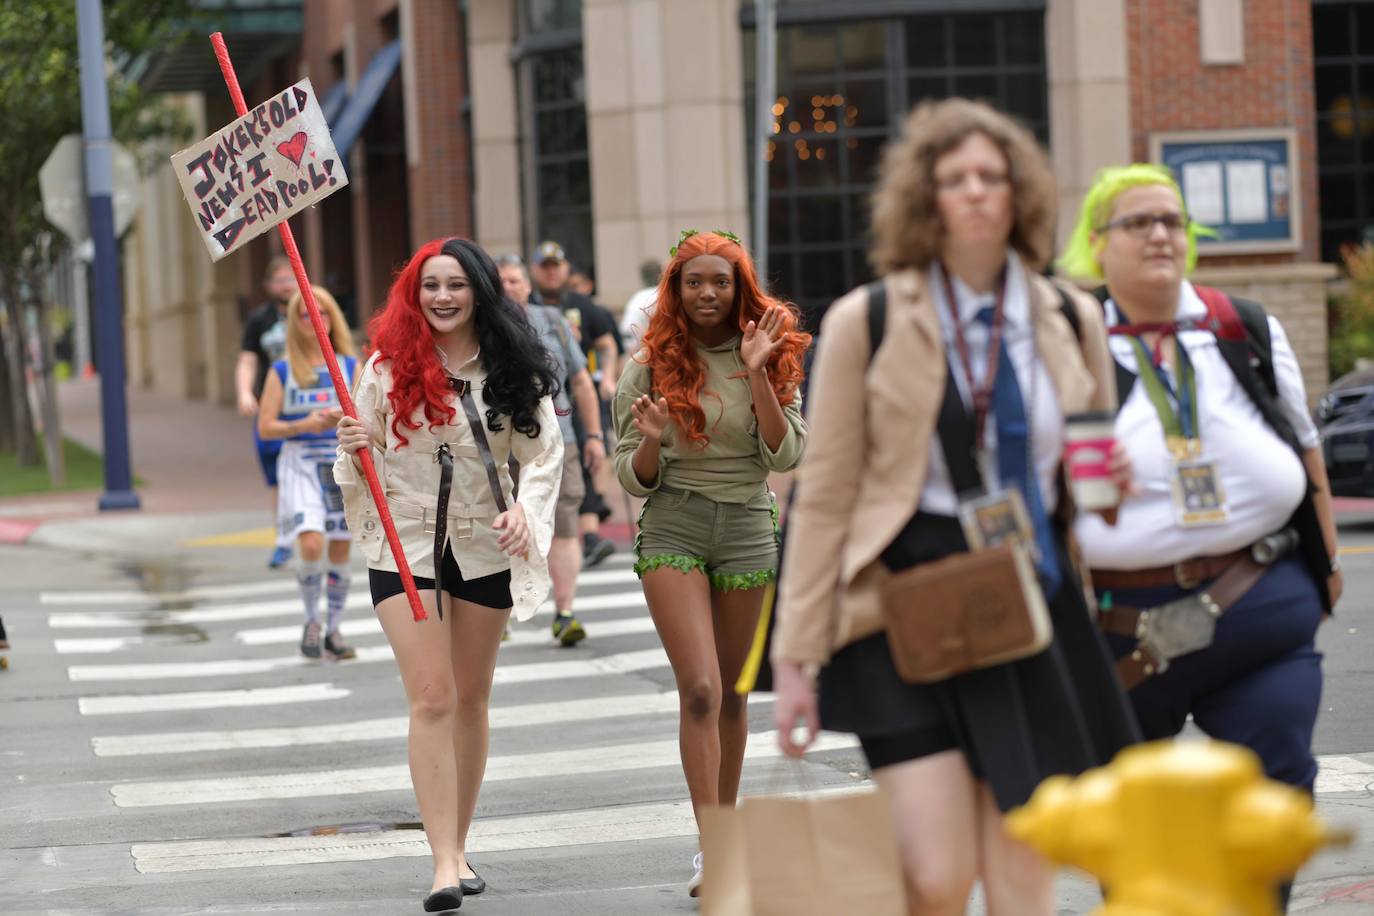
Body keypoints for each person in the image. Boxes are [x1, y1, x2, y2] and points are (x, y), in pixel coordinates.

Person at [770, 99, 1140, 916]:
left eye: (991, 176)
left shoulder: (1070, 317)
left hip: (1028, 600)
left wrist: (1114, 478)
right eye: (954, 178)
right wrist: (795, 660)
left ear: (1020, 194)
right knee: (936, 875)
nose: (974, 191)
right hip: (901, 605)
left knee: (1022, 877)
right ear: (924, 198)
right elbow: (822, 498)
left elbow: (1092, 487)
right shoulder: (868, 319)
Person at [1058, 165, 1338, 905]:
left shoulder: (1243, 326)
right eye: (1138, 222)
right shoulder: (1069, 339)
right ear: (1097, 243)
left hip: (1258, 604)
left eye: (1172, 221)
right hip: (1119, 627)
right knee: (1127, 827)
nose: (1160, 234)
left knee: (1276, 798)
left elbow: (1305, 445)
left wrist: (1328, 564)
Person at [334, 237, 563, 912]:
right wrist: (354, 447)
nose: (442, 296)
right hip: (404, 547)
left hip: (484, 542)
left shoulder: (511, 368)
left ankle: (458, 846)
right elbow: (362, 464)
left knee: (470, 699)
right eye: (430, 285)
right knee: (432, 695)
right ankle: (441, 864)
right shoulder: (384, 369)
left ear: (479, 291)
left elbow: (544, 455)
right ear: (414, 292)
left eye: (456, 284)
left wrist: (525, 511)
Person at [614, 229, 811, 896]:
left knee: (732, 692)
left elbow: (786, 455)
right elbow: (632, 478)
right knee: (699, 688)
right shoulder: (648, 365)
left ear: (738, 289)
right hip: (674, 524)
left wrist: (756, 371)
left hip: (749, 528)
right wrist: (650, 442)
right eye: (693, 281)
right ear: (676, 289)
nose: (706, 292)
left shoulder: (770, 355)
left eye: (719, 282)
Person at [496, 253, 608, 645]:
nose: (508, 287)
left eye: (514, 280)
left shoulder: (554, 322)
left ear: (528, 286)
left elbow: (580, 382)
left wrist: (595, 435)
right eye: (500, 281)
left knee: (564, 524)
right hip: (498, 446)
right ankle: (498, 614)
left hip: (559, 442)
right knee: (500, 527)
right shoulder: (478, 326)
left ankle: (564, 612)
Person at [257, 286, 360, 660]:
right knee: (312, 542)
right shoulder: (283, 370)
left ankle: (334, 628)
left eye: (324, 312)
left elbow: (368, 416)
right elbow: (265, 427)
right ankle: (312, 620)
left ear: (334, 318)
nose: (316, 320)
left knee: (340, 545)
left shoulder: (349, 366)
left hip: (340, 462)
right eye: (306, 314)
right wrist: (305, 424)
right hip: (300, 461)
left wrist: (344, 418)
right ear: (295, 322)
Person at [530, 241, 621, 566]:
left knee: (592, 453)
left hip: (582, 393)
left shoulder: (581, 304)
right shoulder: (526, 307)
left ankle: (591, 531)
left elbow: (608, 344)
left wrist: (608, 378)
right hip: (543, 399)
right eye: (545, 267)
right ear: (534, 271)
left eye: (556, 266)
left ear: (566, 269)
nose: (551, 273)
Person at [237, 256, 299, 568]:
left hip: (312, 404)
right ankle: (283, 539)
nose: (285, 285)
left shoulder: (315, 311)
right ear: (268, 285)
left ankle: (330, 532)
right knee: (278, 477)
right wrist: (245, 392)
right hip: (274, 407)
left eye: (290, 278)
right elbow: (248, 360)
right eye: (279, 280)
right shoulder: (259, 320)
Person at [620, 258, 662, 355]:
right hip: (647, 348)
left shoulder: (637, 297)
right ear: (661, 275)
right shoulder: (662, 295)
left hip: (632, 345)